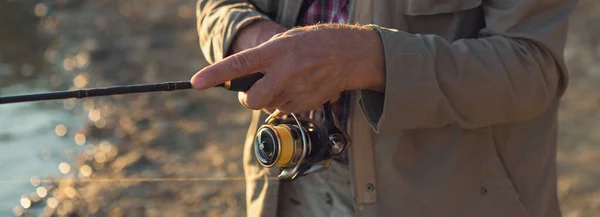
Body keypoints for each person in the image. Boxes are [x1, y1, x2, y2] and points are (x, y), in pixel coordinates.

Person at [191, 0, 577, 216]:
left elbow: (533, 69)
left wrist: (370, 59)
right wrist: (255, 37)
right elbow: (218, 5)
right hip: (291, 192)